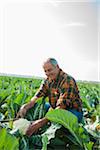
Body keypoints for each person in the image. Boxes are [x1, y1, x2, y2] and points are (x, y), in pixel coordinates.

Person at [17, 58, 83, 137]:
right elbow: (37, 97)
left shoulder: (67, 80)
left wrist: (40, 123)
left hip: (71, 112)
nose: (47, 73)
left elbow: (61, 108)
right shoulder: (47, 81)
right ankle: (31, 125)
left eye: (50, 70)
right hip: (55, 108)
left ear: (57, 67)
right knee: (35, 106)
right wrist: (25, 107)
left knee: (57, 124)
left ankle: (41, 129)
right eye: (45, 71)